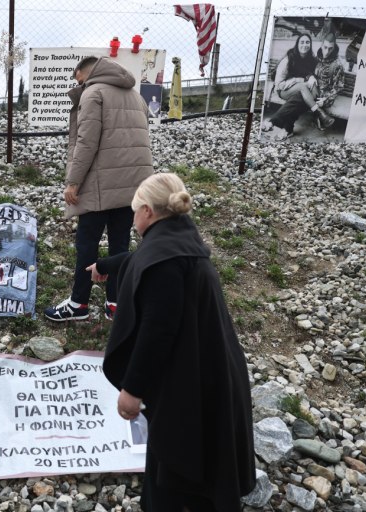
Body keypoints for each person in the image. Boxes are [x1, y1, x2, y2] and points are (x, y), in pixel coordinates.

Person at [89, 173, 256, 511]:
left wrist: (132, 389)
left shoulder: (163, 261)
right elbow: (138, 259)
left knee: (176, 471)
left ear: (148, 211)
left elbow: (158, 328)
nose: (133, 218)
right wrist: (104, 265)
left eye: (135, 211)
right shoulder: (181, 241)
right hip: (214, 372)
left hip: (189, 383)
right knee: (204, 462)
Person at [43, 56, 153, 322]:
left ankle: (78, 304)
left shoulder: (94, 92)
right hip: (133, 186)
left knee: (86, 245)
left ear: (83, 70)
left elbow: (86, 142)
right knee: (120, 245)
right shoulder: (135, 95)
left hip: (100, 185)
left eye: (76, 76)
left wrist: (73, 181)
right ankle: (114, 304)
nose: (76, 82)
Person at [262, 32, 335, 139]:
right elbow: (279, 84)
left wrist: (311, 77)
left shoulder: (311, 59)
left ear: (310, 45)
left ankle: (287, 128)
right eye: (302, 42)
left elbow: (311, 73)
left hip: (302, 92)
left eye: (307, 42)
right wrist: (297, 80)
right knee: (302, 88)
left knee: (303, 97)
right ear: (297, 44)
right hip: (284, 90)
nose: (304, 45)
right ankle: (319, 113)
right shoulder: (289, 59)